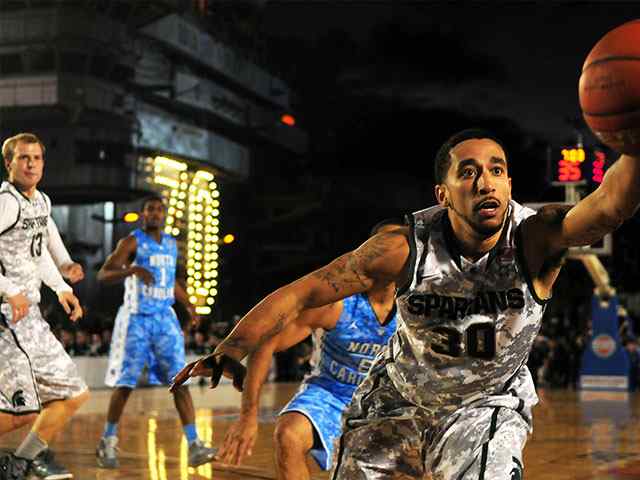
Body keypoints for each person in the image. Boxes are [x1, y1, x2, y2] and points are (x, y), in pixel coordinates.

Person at [172, 127, 640, 479]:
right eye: (469, 172)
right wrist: (233, 346)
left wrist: (634, 140)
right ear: (443, 194)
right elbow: (304, 292)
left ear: (509, 184)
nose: (486, 182)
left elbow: (608, 206)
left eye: (496, 170)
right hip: (395, 401)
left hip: (484, 405)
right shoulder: (402, 247)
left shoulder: (536, 238)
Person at [175, 220, 402, 479]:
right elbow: (267, 342)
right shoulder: (337, 304)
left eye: (398, 245)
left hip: (389, 400)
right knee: (289, 434)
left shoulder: (418, 305)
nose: (389, 251)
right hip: (332, 393)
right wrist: (248, 415)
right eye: (382, 244)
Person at [94, 195, 216, 469]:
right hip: (136, 319)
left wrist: (190, 306)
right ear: (143, 214)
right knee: (125, 383)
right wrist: (132, 269)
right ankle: (108, 440)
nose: (156, 213)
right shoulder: (131, 242)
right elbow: (103, 274)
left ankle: (194, 444)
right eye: (151, 209)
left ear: (165, 214)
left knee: (180, 380)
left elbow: (170, 282)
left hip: (164, 319)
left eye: (160, 210)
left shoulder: (171, 244)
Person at [0, 132, 88, 480]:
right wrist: (9, 290)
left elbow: (40, 254)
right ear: (9, 163)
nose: (31, 163)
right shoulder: (6, 202)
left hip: (30, 317)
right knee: (22, 410)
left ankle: (20, 462)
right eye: (23, 157)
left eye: (36, 157)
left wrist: (62, 286)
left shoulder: (40, 202)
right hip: (6, 318)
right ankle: (21, 462)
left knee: (73, 394)